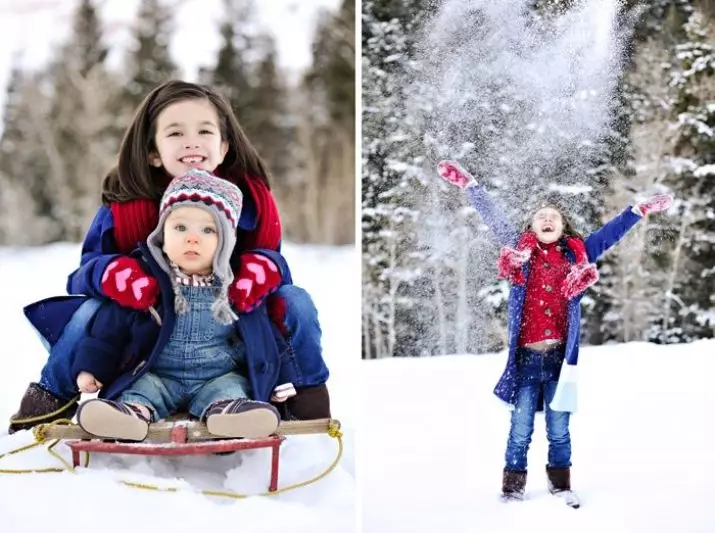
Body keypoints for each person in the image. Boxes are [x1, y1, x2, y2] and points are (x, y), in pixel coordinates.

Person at [9, 80, 329, 433]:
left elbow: (276, 263)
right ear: (153, 151)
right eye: (175, 133)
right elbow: (84, 274)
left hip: (226, 328)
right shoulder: (126, 203)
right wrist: (114, 273)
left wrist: (264, 267)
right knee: (91, 311)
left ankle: (305, 399)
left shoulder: (249, 200)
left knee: (295, 302)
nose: (192, 141)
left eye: (205, 130)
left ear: (223, 147)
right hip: (147, 334)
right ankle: (52, 398)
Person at [437, 160, 673, 503]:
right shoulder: (521, 254)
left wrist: (636, 211)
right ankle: (512, 488)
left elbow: (610, 233)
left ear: (564, 227)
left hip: (562, 363)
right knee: (520, 430)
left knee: (559, 430)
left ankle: (561, 484)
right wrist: (471, 186)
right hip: (526, 361)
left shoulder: (578, 255)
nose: (547, 219)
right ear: (531, 226)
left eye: (554, 217)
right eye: (541, 216)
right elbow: (495, 219)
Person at [17, 170, 295, 441]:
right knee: (139, 390)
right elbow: (108, 331)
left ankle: (231, 415)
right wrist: (92, 368)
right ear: (162, 235)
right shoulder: (145, 280)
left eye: (208, 229)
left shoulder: (236, 286)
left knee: (232, 389)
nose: (192, 237)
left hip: (218, 375)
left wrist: (280, 377)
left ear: (226, 243)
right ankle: (126, 417)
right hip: (156, 373)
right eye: (180, 227)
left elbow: (264, 335)